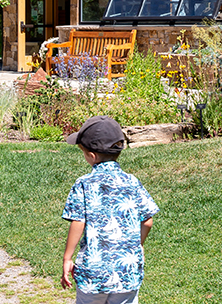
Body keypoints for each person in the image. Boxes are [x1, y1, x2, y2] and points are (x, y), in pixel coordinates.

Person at [62, 115, 159, 304]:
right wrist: (135, 246)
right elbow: (148, 220)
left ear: (91, 155)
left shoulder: (84, 184)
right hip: (127, 272)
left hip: (93, 273)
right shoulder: (132, 181)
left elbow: (78, 221)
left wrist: (67, 258)